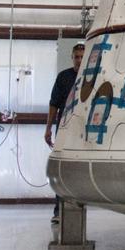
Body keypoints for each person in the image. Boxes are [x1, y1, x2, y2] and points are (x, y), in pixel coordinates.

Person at [44, 42, 83, 222]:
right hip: (65, 128)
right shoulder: (64, 77)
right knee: (62, 168)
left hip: (83, 130)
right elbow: (53, 104)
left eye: (83, 57)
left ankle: (78, 208)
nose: (79, 60)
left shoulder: (93, 78)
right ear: (72, 57)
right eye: (77, 57)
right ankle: (59, 210)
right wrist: (48, 128)